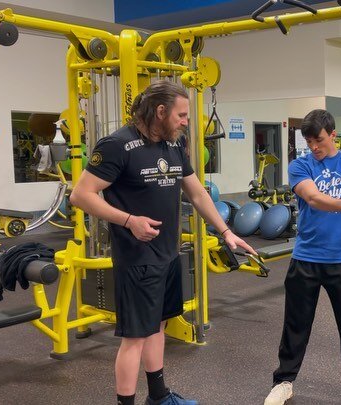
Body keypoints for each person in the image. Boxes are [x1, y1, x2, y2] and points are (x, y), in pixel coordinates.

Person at [70, 80, 256, 405]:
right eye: (181, 115)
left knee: (158, 326)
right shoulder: (117, 145)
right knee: (134, 338)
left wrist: (225, 231)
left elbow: (197, 192)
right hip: (137, 258)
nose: (186, 121)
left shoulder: (174, 144)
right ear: (160, 111)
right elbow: (81, 195)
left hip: (168, 254)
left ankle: (159, 397)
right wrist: (129, 221)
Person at [264, 109, 341, 405]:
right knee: (296, 323)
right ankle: (284, 381)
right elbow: (314, 198)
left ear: (333, 135)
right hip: (306, 257)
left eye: (318, 140)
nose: (313, 147)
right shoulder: (300, 166)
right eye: (308, 141)